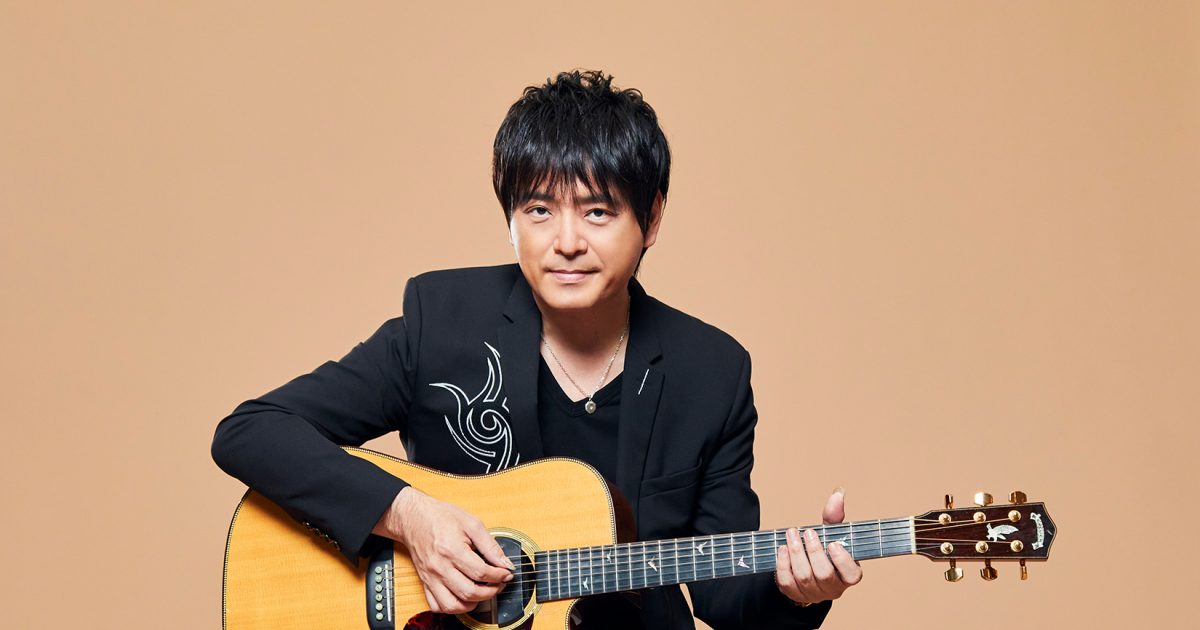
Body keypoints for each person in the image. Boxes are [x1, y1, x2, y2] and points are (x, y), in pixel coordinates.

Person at [211, 69, 861, 629]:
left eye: (598, 212)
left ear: (652, 218)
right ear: (510, 219)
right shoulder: (443, 321)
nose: (566, 242)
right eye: (540, 210)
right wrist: (408, 515)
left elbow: (724, 596)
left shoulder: (711, 372)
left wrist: (798, 591)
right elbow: (251, 432)